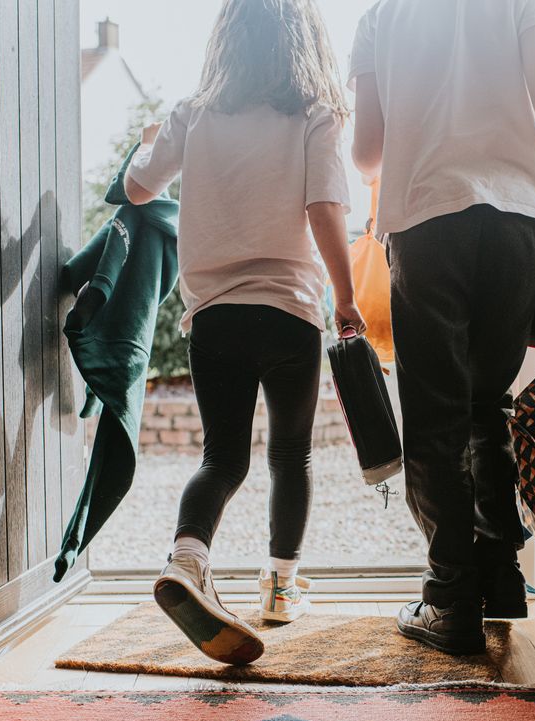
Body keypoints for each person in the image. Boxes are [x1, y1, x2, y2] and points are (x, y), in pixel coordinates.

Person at [350, 0, 535, 655]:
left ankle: (449, 598)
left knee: (437, 416)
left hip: (427, 218)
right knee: (488, 402)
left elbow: (366, 153)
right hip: (520, 220)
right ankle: (499, 574)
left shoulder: (383, 15)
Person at [124, 0, 365, 666]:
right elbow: (324, 209)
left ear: (225, 39)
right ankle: (282, 587)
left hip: (216, 317)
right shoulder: (316, 114)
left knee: (222, 458)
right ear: (303, 41)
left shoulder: (193, 114)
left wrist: (149, 139)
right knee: (292, 455)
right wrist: (344, 297)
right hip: (289, 314)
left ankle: (186, 560)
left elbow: (137, 188)